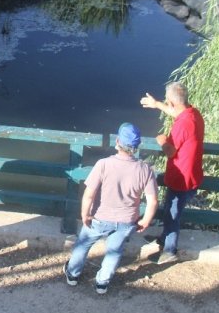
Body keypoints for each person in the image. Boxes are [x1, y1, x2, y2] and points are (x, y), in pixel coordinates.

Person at [63, 123, 158, 294]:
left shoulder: (103, 164)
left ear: (117, 142)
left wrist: (85, 214)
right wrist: (146, 220)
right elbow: (152, 201)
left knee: (83, 245)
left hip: (100, 218)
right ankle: (102, 283)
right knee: (114, 250)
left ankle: (72, 274)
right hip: (126, 220)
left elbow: (89, 194)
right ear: (137, 147)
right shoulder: (145, 170)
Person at [140, 81, 205, 264]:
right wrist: (157, 105)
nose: (167, 104)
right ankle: (164, 239)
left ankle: (169, 251)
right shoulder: (193, 114)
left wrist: (161, 140)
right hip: (192, 173)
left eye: (166, 101)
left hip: (181, 178)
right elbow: (176, 111)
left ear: (173, 102)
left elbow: (170, 152)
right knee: (171, 210)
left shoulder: (182, 124)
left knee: (172, 214)